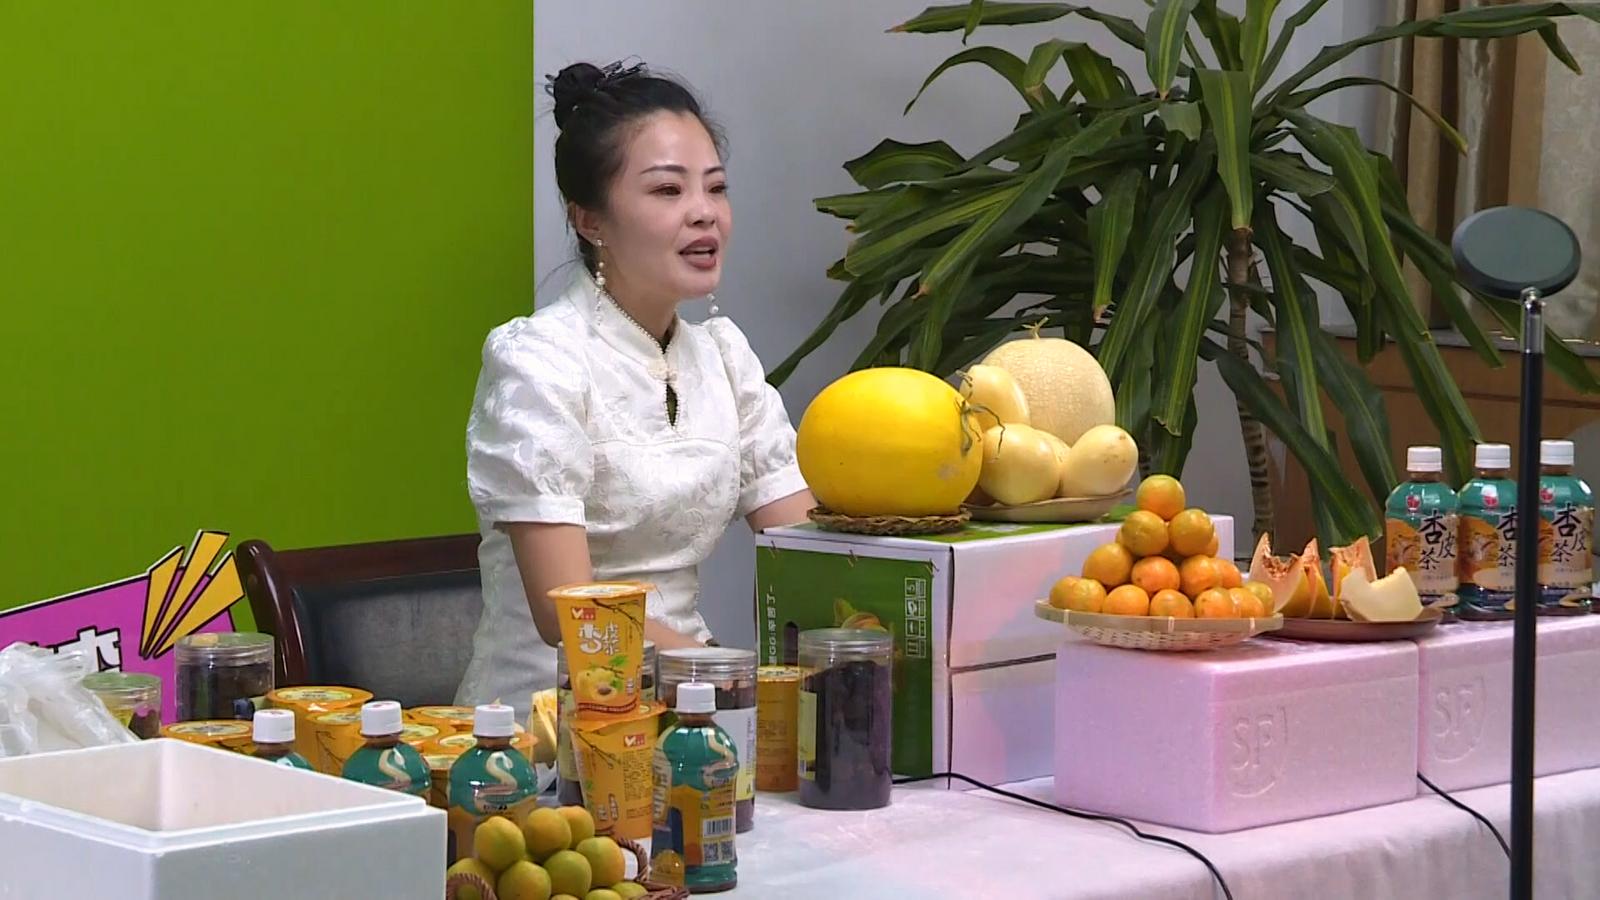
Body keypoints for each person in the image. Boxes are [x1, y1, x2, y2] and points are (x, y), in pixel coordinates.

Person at [456, 59, 815, 717]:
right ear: (589, 220)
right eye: (668, 191)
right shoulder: (539, 359)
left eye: (716, 188)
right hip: (550, 723)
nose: (705, 214)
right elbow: (569, 611)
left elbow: (808, 549)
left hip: (694, 706)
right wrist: (728, 677)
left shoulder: (724, 356)